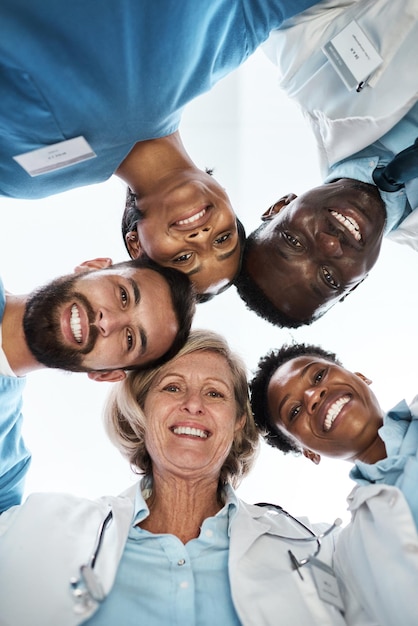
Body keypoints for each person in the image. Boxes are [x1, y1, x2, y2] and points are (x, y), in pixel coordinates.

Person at [0, 329, 352, 625]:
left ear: (238, 421)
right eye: (172, 387)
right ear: (141, 408)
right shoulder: (44, 526)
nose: (193, 404)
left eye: (214, 393)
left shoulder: (318, 548)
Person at [1, 0, 319, 297]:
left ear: (137, 247)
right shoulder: (221, 45)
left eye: (183, 257)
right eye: (223, 238)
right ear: (226, 197)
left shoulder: (22, 181)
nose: (202, 237)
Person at [235, 0, 418, 326]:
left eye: (292, 241)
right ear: (358, 284)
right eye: (330, 279)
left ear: (280, 207)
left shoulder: (303, 61)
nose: (330, 243)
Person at [0, 256, 194, 509]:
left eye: (129, 339)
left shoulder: (7, 472)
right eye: (123, 296)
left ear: (107, 374)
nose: (107, 322)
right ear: (93, 266)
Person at [250, 342, 418, 528]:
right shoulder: (360, 539)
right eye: (295, 411)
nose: (313, 396)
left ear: (360, 377)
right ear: (309, 452)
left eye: (319, 375)